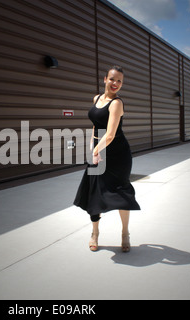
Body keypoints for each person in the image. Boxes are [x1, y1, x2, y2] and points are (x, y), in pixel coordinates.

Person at [73, 66, 141, 253]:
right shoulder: (96, 99)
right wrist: (91, 149)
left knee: (121, 192)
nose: (115, 84)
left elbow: (110, 134)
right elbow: (96, 127)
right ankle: (95, 234)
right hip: (98, 151)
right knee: (94, 191)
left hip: (117, 154)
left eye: (119, 81)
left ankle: (125, 234)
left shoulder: (117, 103)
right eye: (112, 79)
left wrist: (95, 151)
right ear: (105, 79)